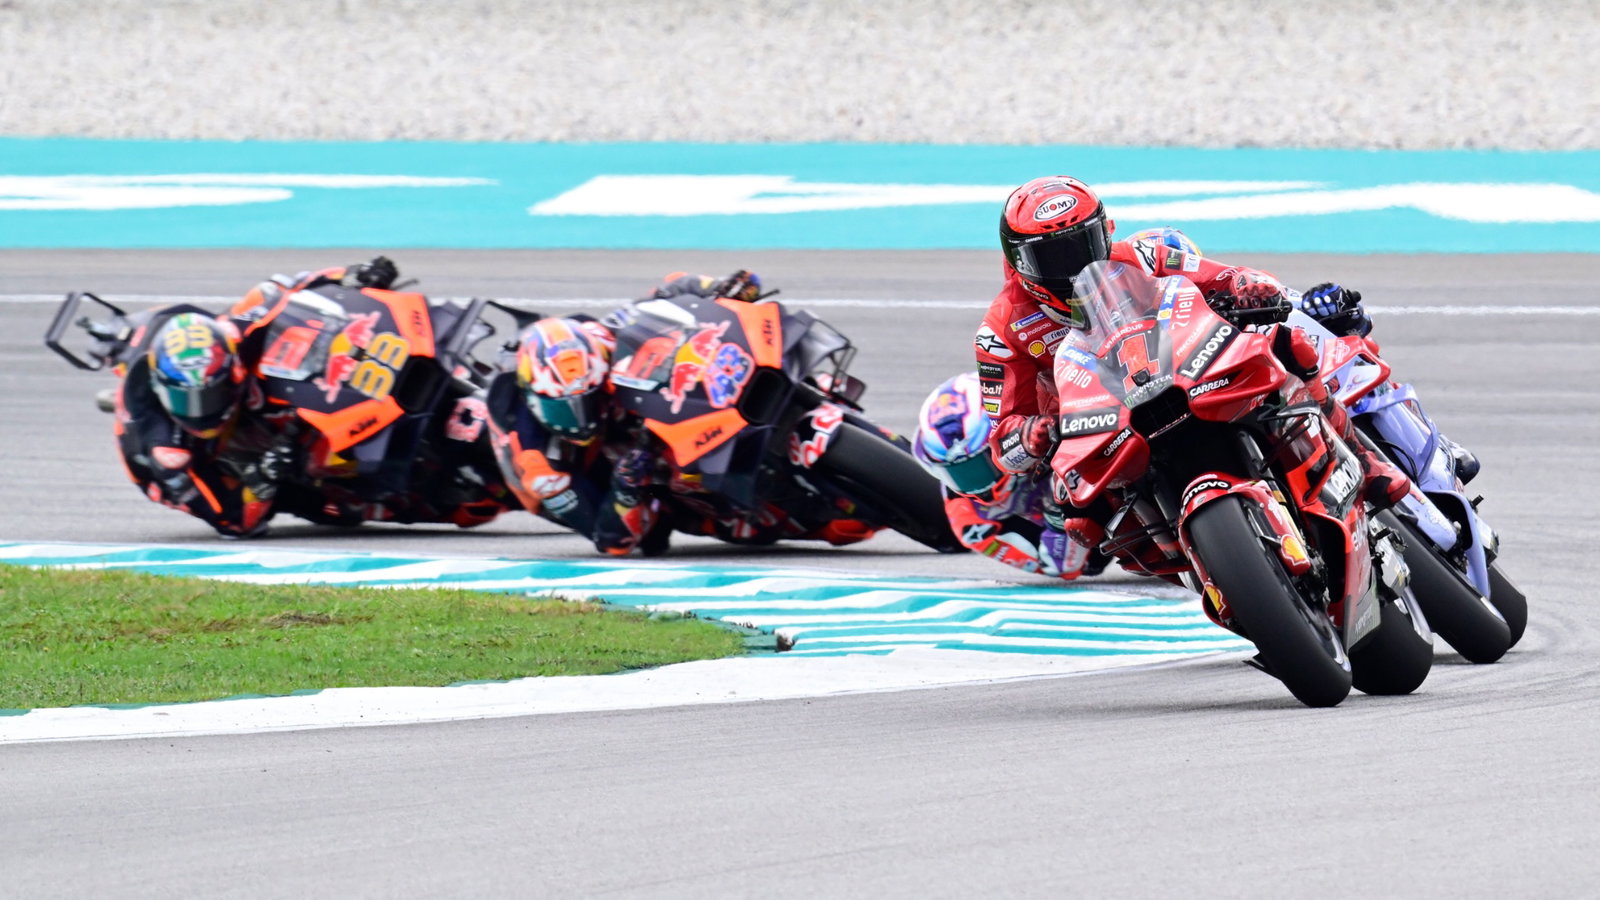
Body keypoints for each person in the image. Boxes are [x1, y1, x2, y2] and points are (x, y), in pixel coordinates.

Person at [976, 175, 1411, 509]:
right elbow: (1003, 443)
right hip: (1101, 429)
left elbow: (1222, 276)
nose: (1073, 268)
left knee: (1286, 343)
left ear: (1105, 231)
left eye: (1083, 245)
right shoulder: (1000, 333)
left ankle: (1361, 459)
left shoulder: (1143, 256)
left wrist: (1249, 285)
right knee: (1071, 513)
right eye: (1051, 257)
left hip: (1187, 374)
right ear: (1017, 263)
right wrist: (1031, 436)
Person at [912, 372, 1101, 579]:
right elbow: (1062, 567)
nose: (978, 486)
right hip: (1090, 530)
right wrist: (1057, 516)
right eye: (957, 474)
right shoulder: (972, 524)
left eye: (979, 465)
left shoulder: (1039, 395)